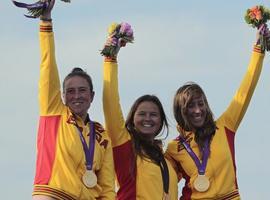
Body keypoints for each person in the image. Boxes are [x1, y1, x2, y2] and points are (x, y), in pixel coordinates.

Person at [23, 1, 116, 199]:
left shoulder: (101, 134)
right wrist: (46, 21)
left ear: (91, 96)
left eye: (82, 91)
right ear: (62, 96)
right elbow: (47, 67)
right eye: (70, 91)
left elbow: (107, 186)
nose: (76, 96)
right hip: (52, 194)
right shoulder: (54, 112)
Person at [165, 25, 269, 199]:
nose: (198, 110)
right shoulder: (174, 148)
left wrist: (258, 49)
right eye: (191, 106)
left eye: (201, 103)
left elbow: (245, 90)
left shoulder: (225, 126)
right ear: (180, 111)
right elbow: (158, 180)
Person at [102, 27, 178, 199]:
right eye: (142, 114)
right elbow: (111, 104)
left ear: (161, 121)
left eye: (153, 115)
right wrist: (110, 59)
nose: (148, 119)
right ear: (132, 118)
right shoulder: (125, 146)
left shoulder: (166, 160)